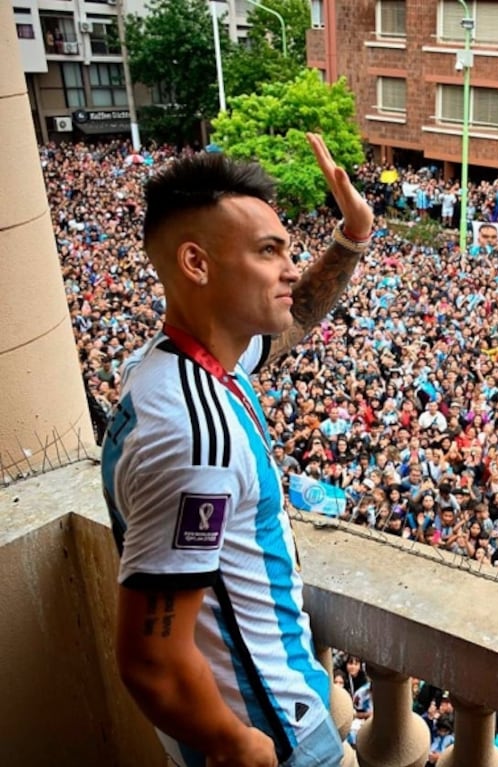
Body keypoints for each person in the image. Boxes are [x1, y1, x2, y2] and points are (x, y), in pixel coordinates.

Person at [101, 133, 373, 767]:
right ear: (197, 263)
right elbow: (151, 660)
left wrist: (353, 236)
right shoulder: (196, 436)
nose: (287, 268)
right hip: (268, 726)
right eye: (269, 250)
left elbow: (296, 312)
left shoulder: (171, 368)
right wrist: (238, 743)